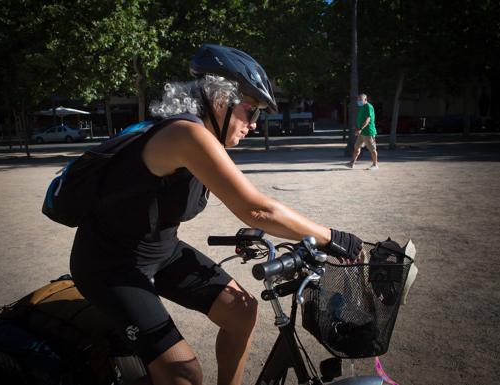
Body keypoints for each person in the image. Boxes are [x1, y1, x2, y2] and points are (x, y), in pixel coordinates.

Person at [69, 43, 363, 385]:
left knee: (241, 312)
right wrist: (334, 237)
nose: (253, 125)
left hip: (160, 251)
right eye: (251, 111)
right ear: (221, 100)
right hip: (110, 265)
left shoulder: (202, 136)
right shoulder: (185, 134)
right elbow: (256, 209)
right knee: (184, 371)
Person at [348, 93, 378, 169]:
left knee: (372, 149)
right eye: (358, 100)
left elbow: (368, 119)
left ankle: (375, 165)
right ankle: (352, 163)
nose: (359, 101)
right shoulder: (362, 107)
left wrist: (360, 129)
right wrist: (357, 128)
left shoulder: (368, 106)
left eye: (360, 100)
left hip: (368, 132)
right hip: (361, 132)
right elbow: (361, 119)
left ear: (365, 100)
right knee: (356, 147)